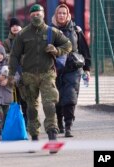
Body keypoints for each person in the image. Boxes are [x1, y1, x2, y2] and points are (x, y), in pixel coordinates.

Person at [8, 4, 72, 148]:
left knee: (49, 105)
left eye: (39, 14)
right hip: (28, 76)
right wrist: (12, 75)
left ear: (44, 14)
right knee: (31, 108)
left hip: (47, 74)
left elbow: (68, 45)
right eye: (33, 14)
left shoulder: (52, 32)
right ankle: (34, 136)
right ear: (30, 17)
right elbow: (14, 56)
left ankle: (52, 135)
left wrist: (56, 50)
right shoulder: (22, 34)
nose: (36, 16)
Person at [51, 4, 91, 137]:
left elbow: (84, 49)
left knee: (70, 96)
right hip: (55, 69)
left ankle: (68, 125)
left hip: (73, 68)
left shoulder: (76, 30)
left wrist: (87, 69)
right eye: (59, 13)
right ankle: (59, 123)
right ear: (56, 15)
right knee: (56, 97)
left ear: (68, 15)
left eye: (64, 13)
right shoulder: (50, 31)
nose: (61, 15)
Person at [3, 17, 28, 128]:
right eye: (12, 26)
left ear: (21, 27)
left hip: (25, 74)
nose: (15, 28)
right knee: (13, 100)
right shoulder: (7, 42)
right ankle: (14, 123)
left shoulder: (26, 39)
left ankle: (26, 122)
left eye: (17, 25)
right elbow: (4, 56)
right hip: (12, 75)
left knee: (25, 100)